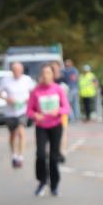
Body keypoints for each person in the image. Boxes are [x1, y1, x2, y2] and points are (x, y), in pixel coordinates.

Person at [27, 63, 70, 197]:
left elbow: (67, 108)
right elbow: (29, 110)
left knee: (53, 157)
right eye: (43, 73)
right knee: (40, 155)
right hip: (41, 127)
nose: (45, 76)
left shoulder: (58, 90)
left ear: (53, 75)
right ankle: (42, 181)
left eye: (48, 73)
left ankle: (54, 185)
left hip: (56, 126)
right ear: (41, 76)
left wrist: (58, 111)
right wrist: (35, 115)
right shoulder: (36, 91)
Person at [0, 61, 34, 168]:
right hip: (10, 111)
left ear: (22, 70)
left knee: (21, 131)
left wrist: (28, 100)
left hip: (22, 110)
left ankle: (20, 156)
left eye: (19, 70)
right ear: (12, 71)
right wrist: (7, 99)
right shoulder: (6, 80)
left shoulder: (27, 80)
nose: (17, 72)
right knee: (13, 134)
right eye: (15, 70)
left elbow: (32, 93)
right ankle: (14, 154)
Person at [51, 60, 69, 162]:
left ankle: (62, 152)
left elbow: (65, 93)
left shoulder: (63, 79)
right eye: (52, 68)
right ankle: (53, 151)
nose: (54, 70)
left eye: (56, 68)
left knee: (63, 132)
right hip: (49, 112)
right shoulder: (47, 79)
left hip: (61, 110)